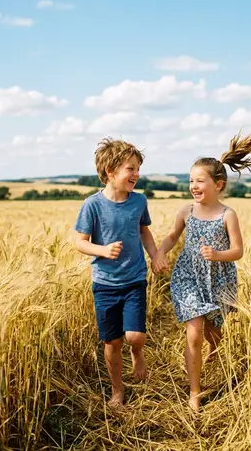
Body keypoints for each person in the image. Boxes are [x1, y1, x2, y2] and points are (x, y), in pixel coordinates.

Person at [152, 132, 251, 411]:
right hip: (188, 276)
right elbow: (171, 236)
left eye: (199, 181)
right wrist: (159, 252)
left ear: (218, 184)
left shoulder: (228, 215)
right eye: (191, 180)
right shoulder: (186, 211)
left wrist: (217, 255)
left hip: (220, 278)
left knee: (214, 333)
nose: (193, 185)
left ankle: (214, 355)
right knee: (194, 333)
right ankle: (194, 391)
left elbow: (238, 251)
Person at [74, 138, 159, 408]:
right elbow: (79, 241)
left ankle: (138, 353)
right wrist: (102, 250)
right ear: (110, 172)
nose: (136, 174)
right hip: (105, 284)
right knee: (112, 342)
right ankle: (117, 390)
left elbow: (144, 232)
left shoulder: (138, 202)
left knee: (134, 336)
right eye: (130, 169)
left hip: (134, 279)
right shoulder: (92, 205)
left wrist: (155, 255)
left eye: (137, 169)